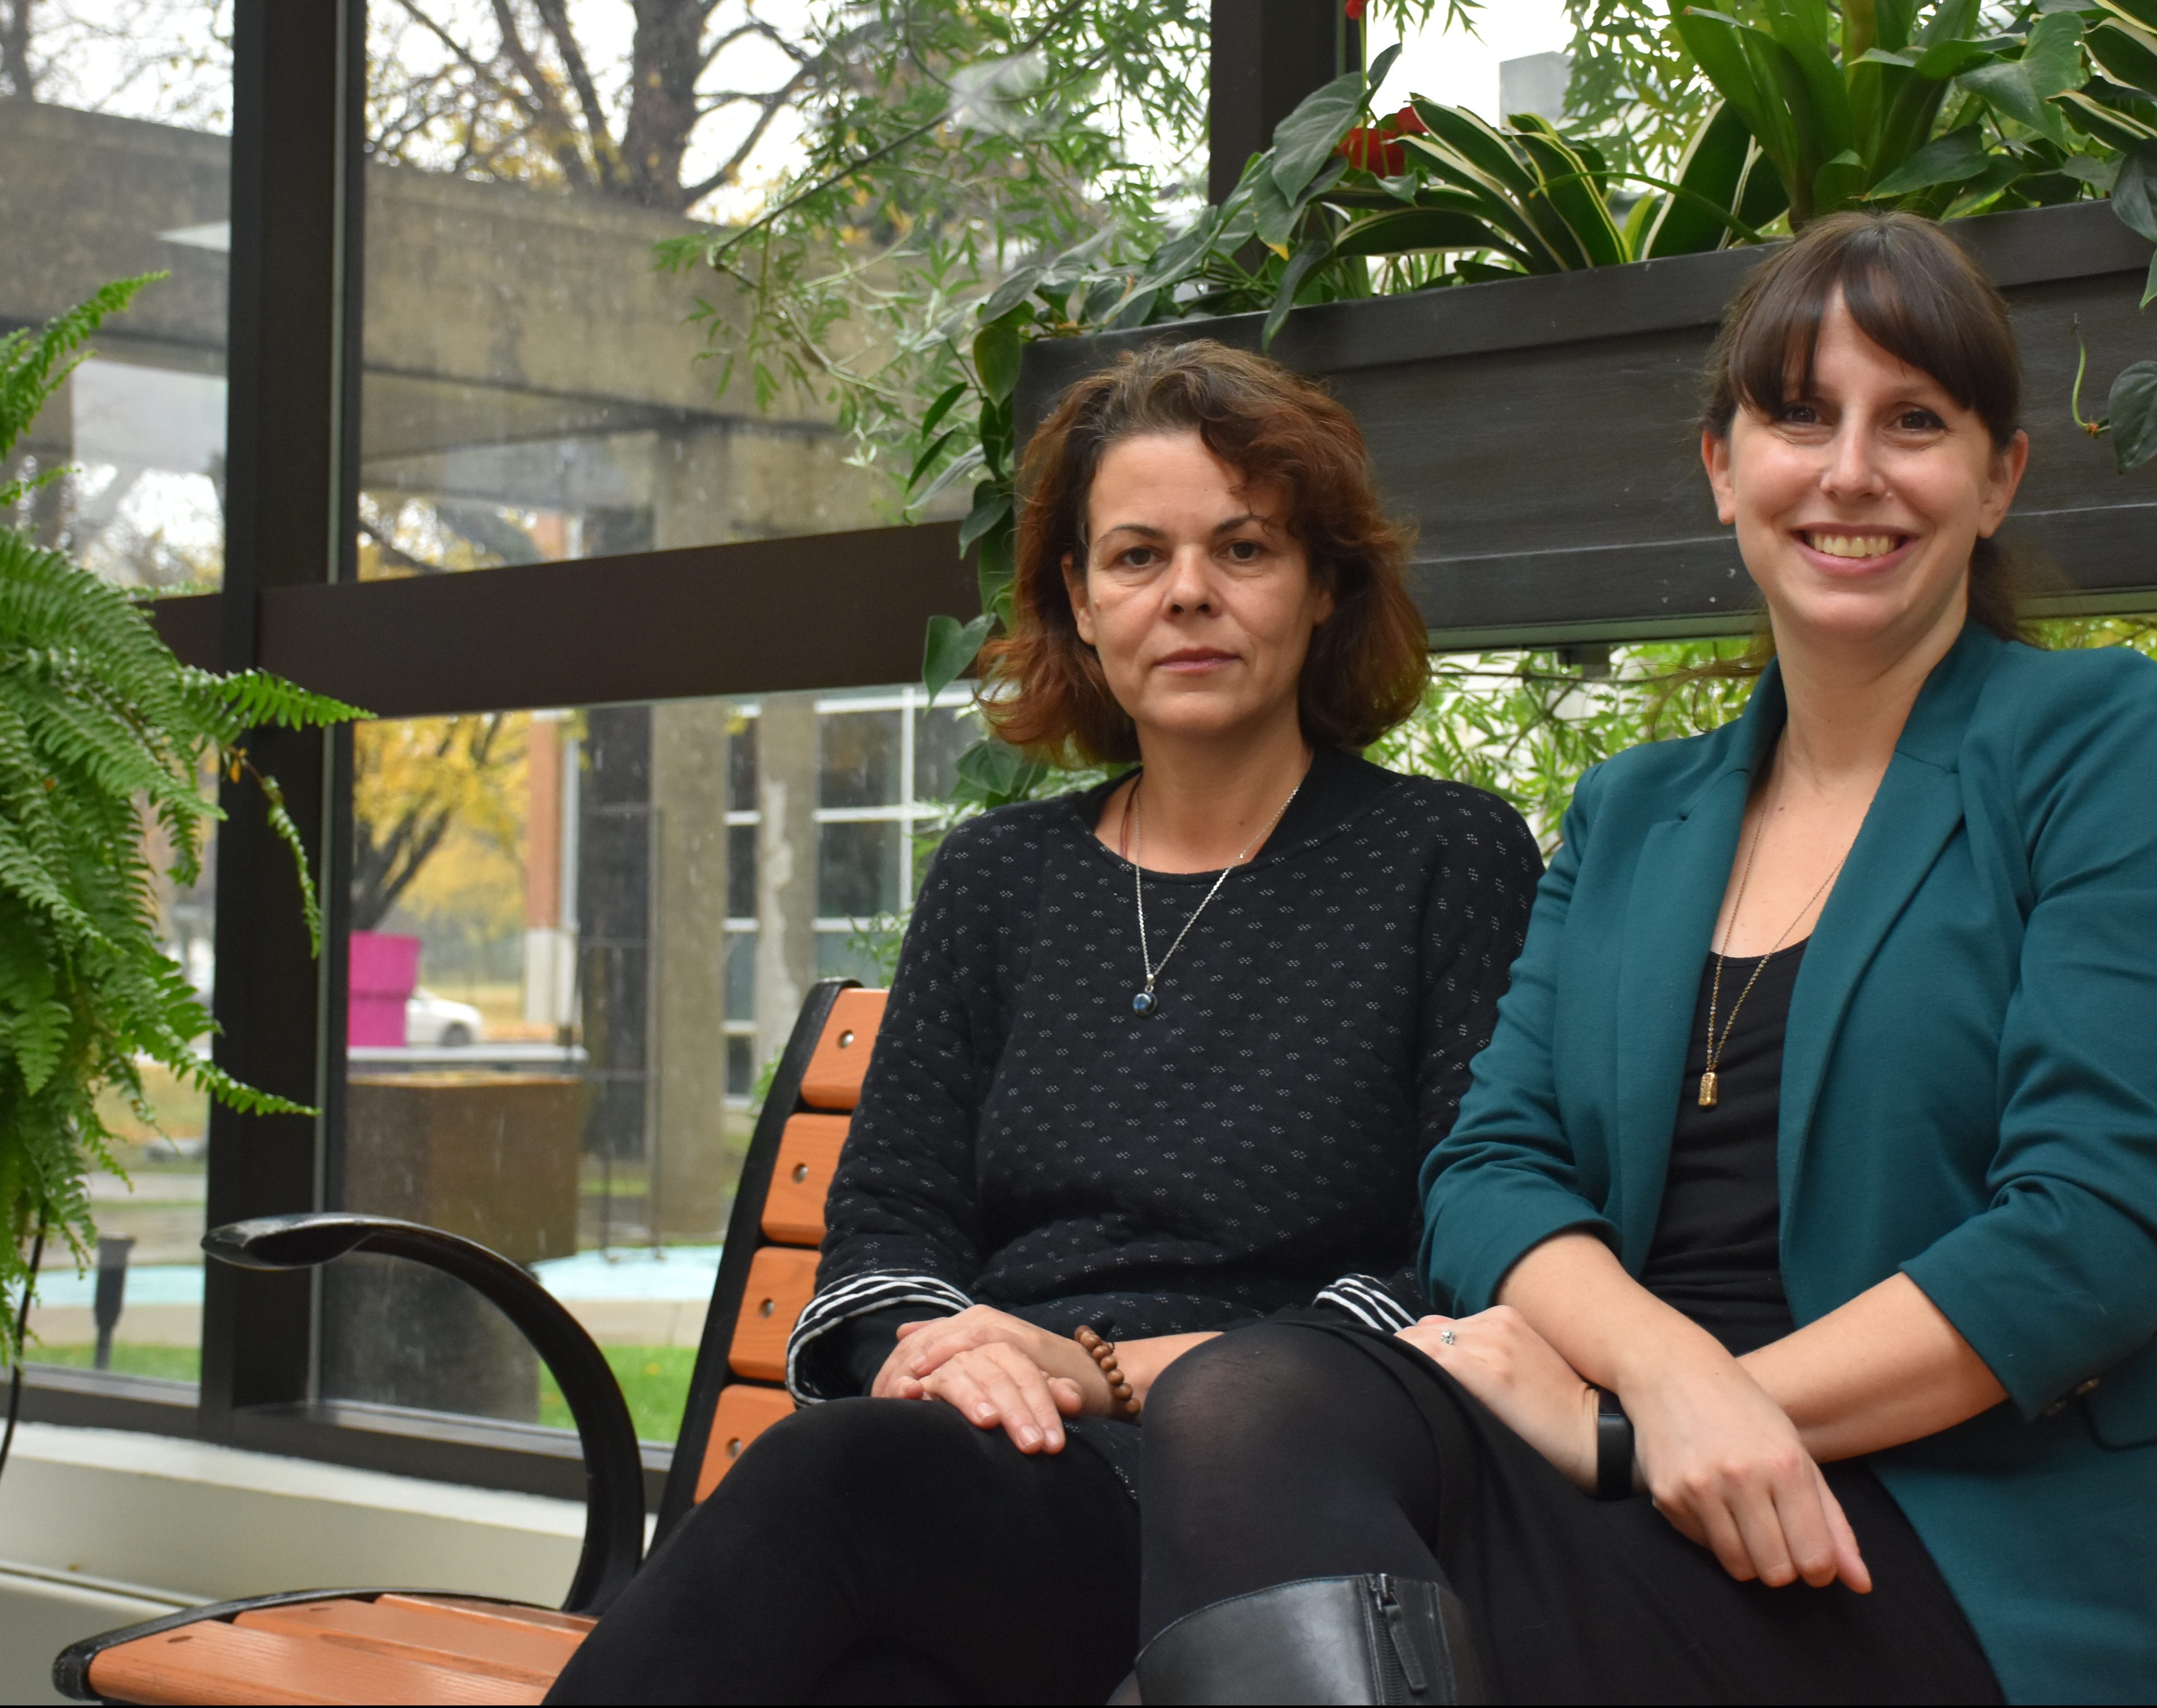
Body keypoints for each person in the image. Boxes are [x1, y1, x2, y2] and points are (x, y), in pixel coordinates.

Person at [1128, 214, 2157, 1704]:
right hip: (1650, 1461)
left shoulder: (2104, 748)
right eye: (1800, 416)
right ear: (1724, 470)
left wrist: (1666, 1424)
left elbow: (2095, 1229)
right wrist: (1667, 1388)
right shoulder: (1635, 809)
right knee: (1249, 1408)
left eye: (1915, 422)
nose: (1852, 472)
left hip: (1995, 1527)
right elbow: (1491, 1167)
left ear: (1998, 477)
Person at [544, 339, 1544, 1704]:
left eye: (1243, 549)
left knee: (835, 1504)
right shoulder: (998, 879)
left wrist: (1098, 1373)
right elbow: (886, 1229)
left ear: (1324, 588)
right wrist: (946, 1356)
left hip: (1269, 1497)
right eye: (1136, 557)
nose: (1187, 594)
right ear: (1076, 601)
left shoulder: (1444, 858)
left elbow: (1462, 1266)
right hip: (994, 1476)